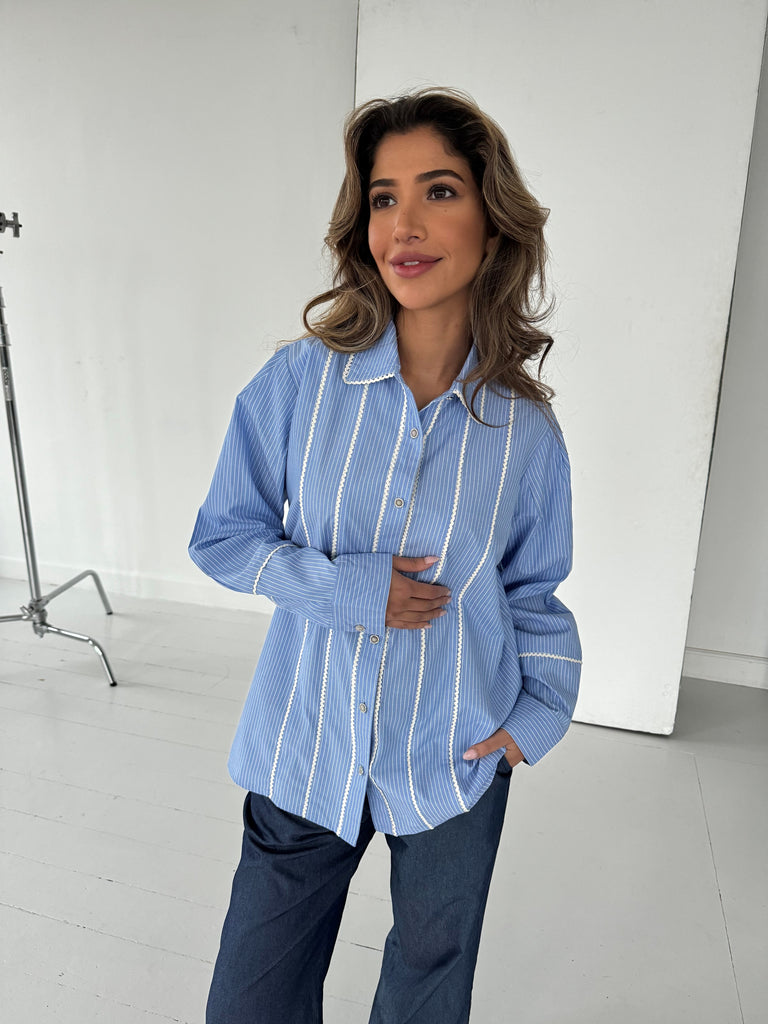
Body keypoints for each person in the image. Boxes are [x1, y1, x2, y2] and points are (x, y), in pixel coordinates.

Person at [189, 86, 581, 1024]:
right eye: (382, 197)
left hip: (452, 756)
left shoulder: (526, 433)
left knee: (426, 993)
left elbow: (536, 593)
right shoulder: (299, 381)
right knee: (250, 999)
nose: (405, 224)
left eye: (439, 191)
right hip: (305, 742)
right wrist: (349, 589)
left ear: (493, 220)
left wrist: (533, 722)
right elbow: (223, 537)